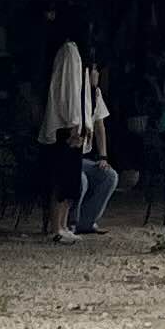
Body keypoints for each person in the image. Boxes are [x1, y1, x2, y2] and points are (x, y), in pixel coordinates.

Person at [41, 21, 117, 242]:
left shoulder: (85, 71)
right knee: (64, 179)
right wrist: (74, 124)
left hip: (77, 129)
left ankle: (66, 224)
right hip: (68, 127)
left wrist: (102, 155)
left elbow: (98, 120)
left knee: (72, 181)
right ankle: (58, 226)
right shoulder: (69, 52)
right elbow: (69, 93)